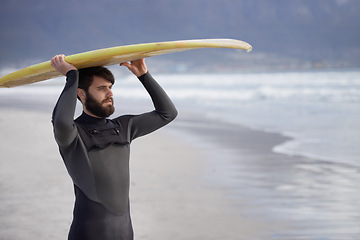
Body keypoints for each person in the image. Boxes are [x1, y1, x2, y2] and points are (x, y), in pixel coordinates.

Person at [51, 54, 178, 240]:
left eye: (110, 87)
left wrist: (144, 75)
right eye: (102, 88)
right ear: (81, 94)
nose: (110, 93)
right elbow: (61, 122)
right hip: (88, 234)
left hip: (125, 233)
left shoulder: (124, 127)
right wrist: (71, 76)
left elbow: (168, 113)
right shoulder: (73, 134)